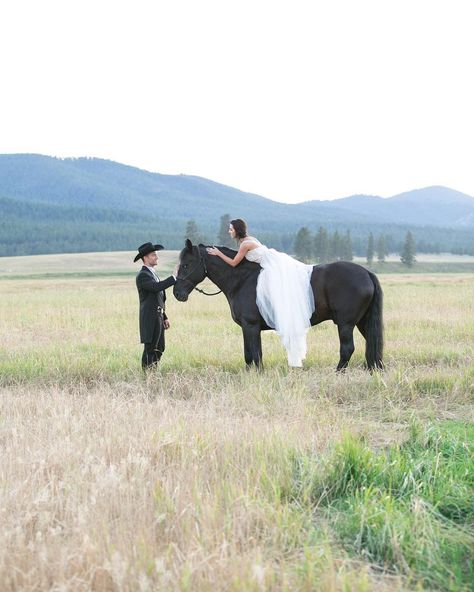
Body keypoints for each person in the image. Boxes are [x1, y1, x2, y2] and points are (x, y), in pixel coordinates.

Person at [206, 219, 315, 367]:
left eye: (231, 229)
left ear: (237, 230)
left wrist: (218, 253)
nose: (229, 231)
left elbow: (233, 263)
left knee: (271, 292)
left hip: (271, 268)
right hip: (268, 265)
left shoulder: (244, 244)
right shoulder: (247, 240)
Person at [134, 242, 177, 370]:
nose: (157, 257)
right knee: (150, 348)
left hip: (158, 316)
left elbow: (159, 297)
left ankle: (153, 373)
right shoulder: (143, 275)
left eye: (156, 255)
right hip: (149, 318)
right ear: (145, 258)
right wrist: (174, 277)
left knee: (160, 347)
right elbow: (156, 288)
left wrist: (164, 316)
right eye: (153, 255)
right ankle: (147, 375)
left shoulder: (152, 274)